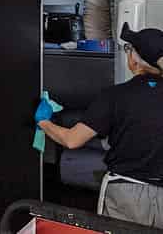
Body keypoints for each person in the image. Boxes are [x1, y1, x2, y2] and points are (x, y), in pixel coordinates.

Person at [36, 23, 163, 228]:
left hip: (125, 194)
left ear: (134, 60)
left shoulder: (115, 96)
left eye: (128, 49)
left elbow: (72, 140)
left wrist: (43, 122)